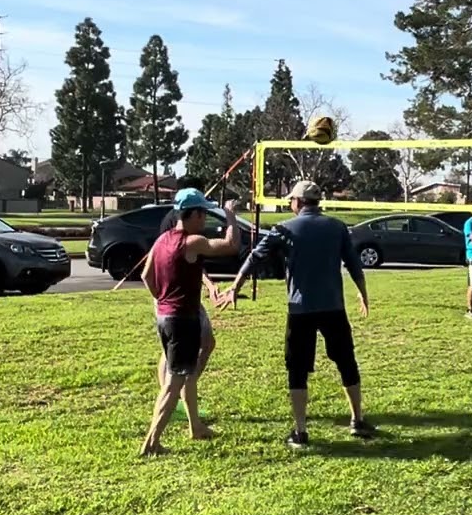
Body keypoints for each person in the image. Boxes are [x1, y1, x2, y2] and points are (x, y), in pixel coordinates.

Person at [227, 181, 373, 449]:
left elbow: (254, 258)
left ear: (298, 202)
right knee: (346, 361)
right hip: (333, 308)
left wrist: (235, 287)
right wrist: (363, 294)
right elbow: (354, 264)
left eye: (290, 200)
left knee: (297, 369)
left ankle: (301, 432)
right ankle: (357, 420)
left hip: (300, 310)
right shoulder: (337, 227)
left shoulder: (284, 229)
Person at [139, 188, 240, 456]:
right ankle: (152, 443)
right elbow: (231, 246)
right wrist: (230, 217)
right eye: (203, 213)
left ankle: (195, 427)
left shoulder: (163, 239)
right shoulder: (191, 242)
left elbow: (146, 275)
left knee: (184, 373)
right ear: (193, 214)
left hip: (165, 316)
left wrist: (161, 298)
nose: (205, 218)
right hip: (182, 320)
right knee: (174, 383)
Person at [154, 174, 224, 394]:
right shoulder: (175, 223)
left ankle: (183, 395)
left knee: (204, 344)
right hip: (175, 299)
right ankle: (173, 396)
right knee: (171, 354)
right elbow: (173, 259)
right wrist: (161, 296)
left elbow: (188, 262)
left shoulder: (187, 222)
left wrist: (209, 284)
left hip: (182, 297)